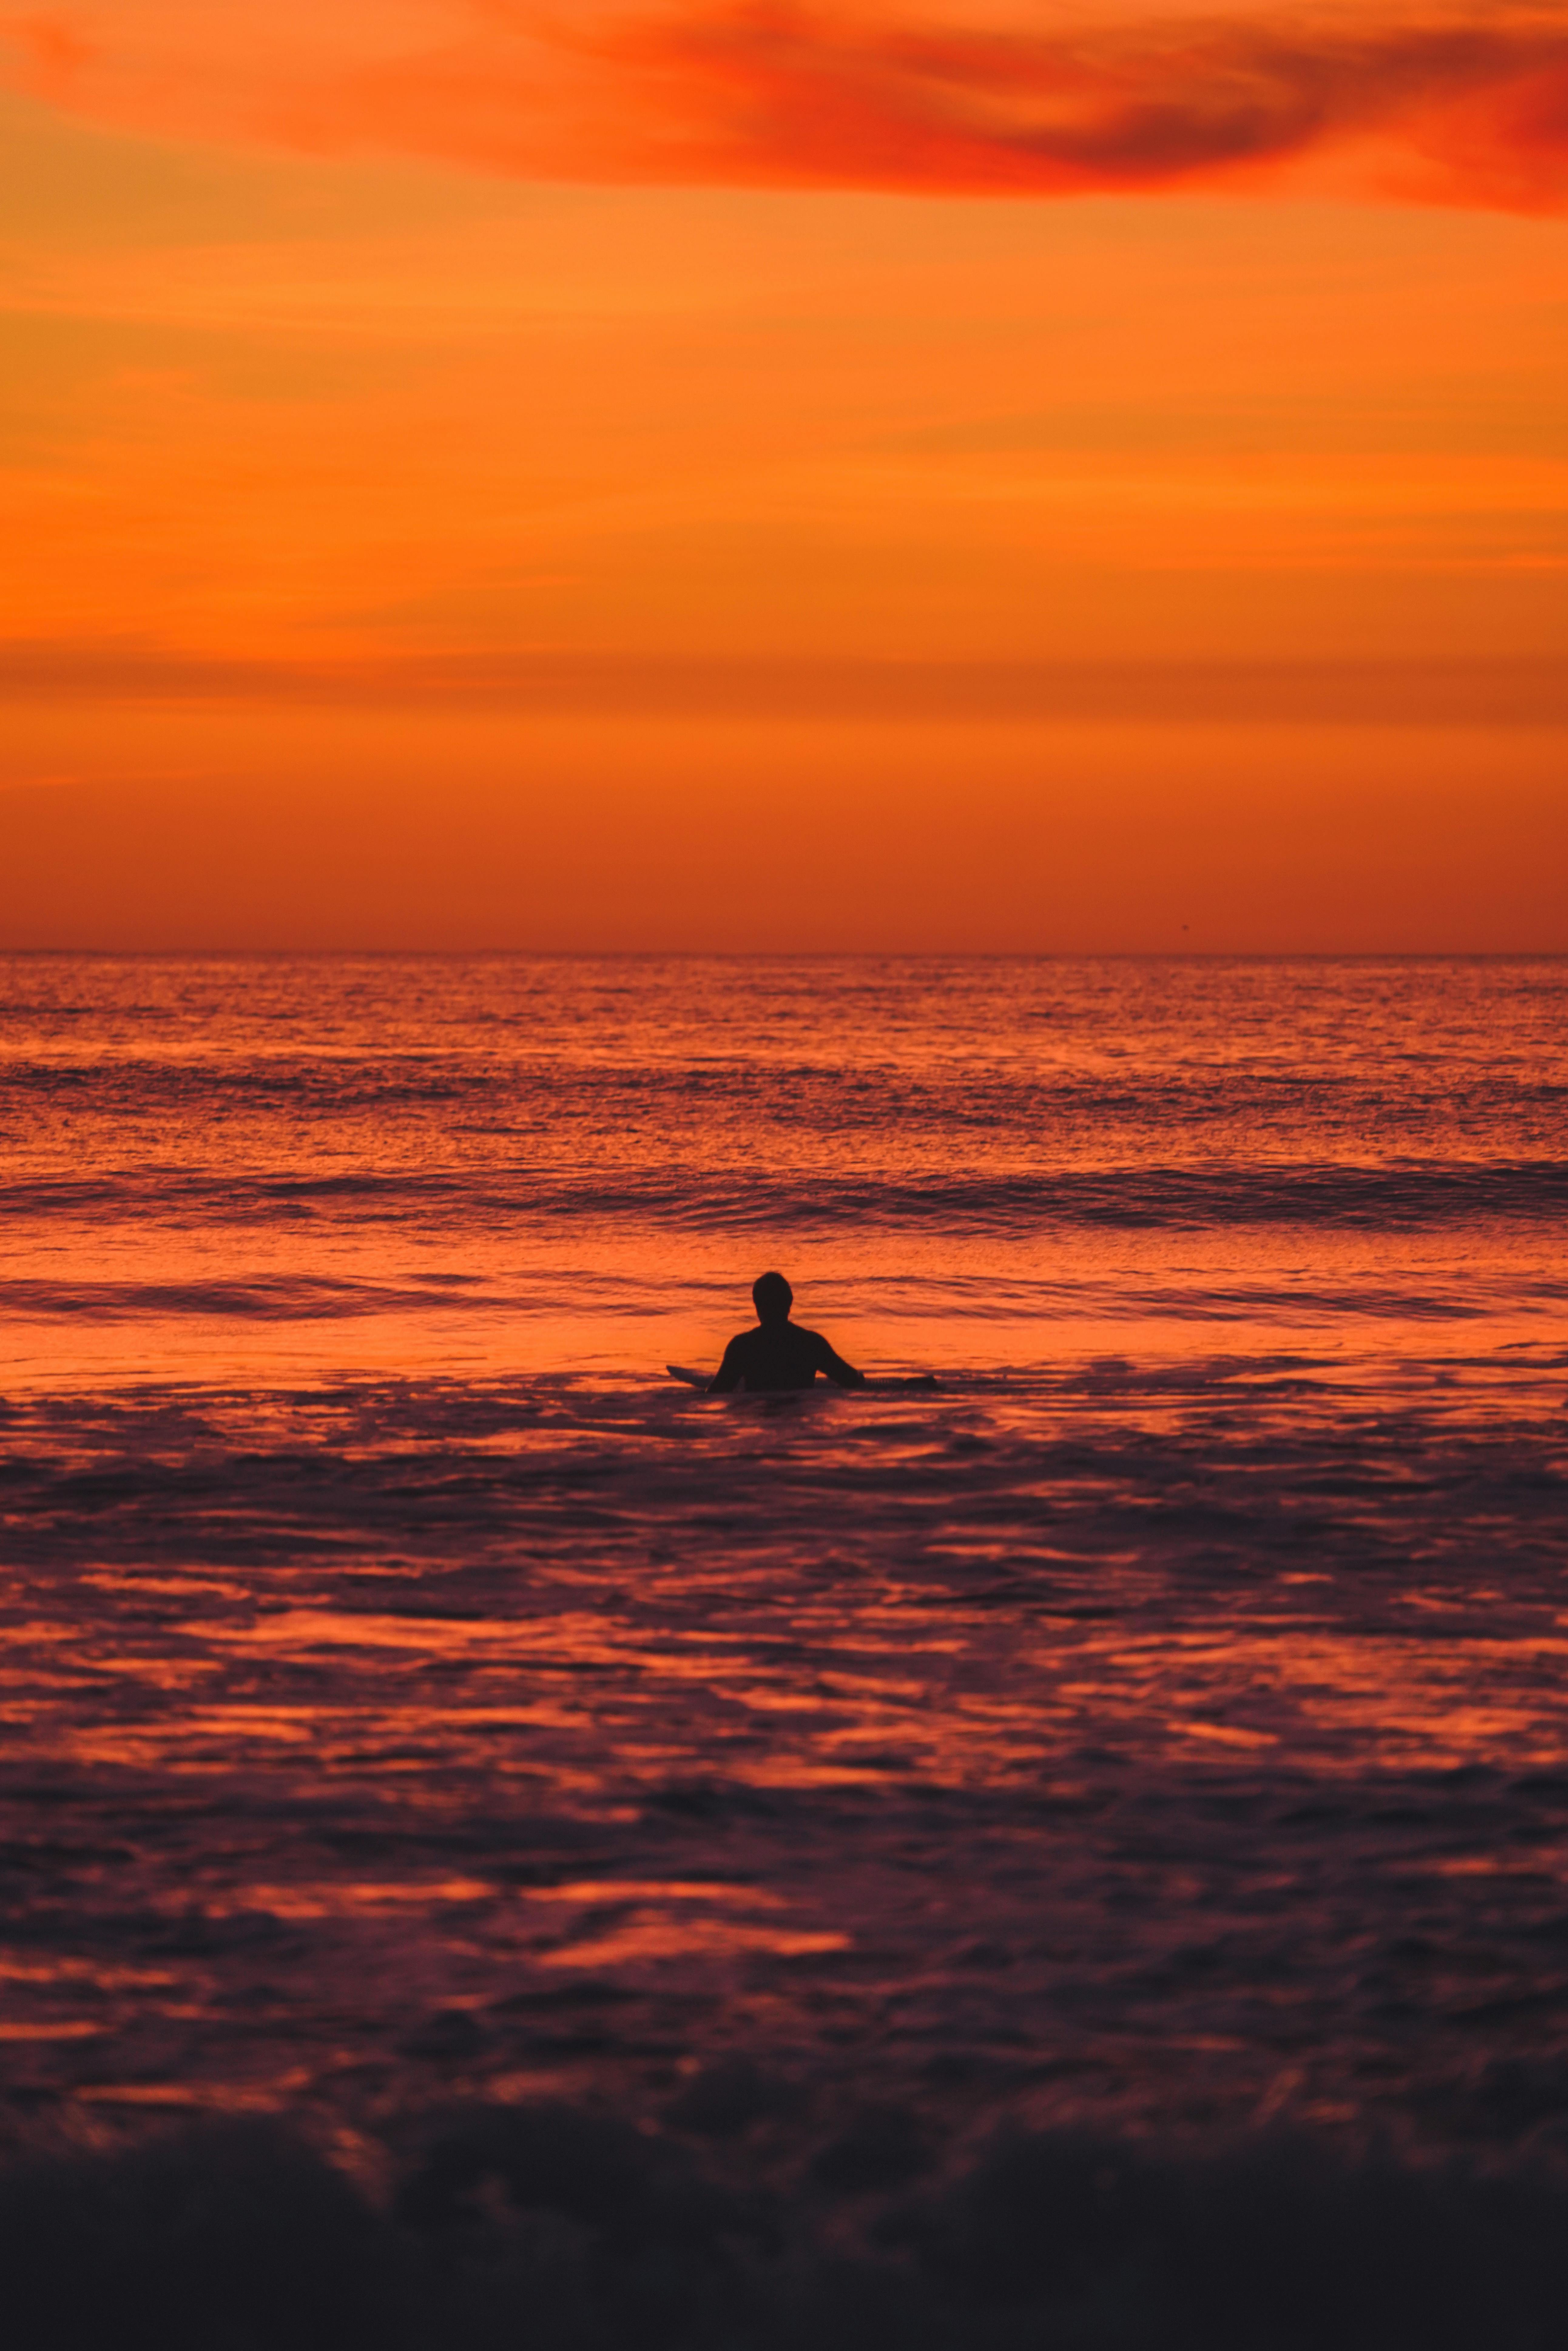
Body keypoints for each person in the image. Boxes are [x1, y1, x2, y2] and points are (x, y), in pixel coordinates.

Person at [708, 1272, 865, 1394]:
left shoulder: (743, 1346)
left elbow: (717, 1391)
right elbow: (851, 1380)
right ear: (790, 1302)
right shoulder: (811, 1344)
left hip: (759, 1426)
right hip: (800, 1426)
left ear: (757, 1306)